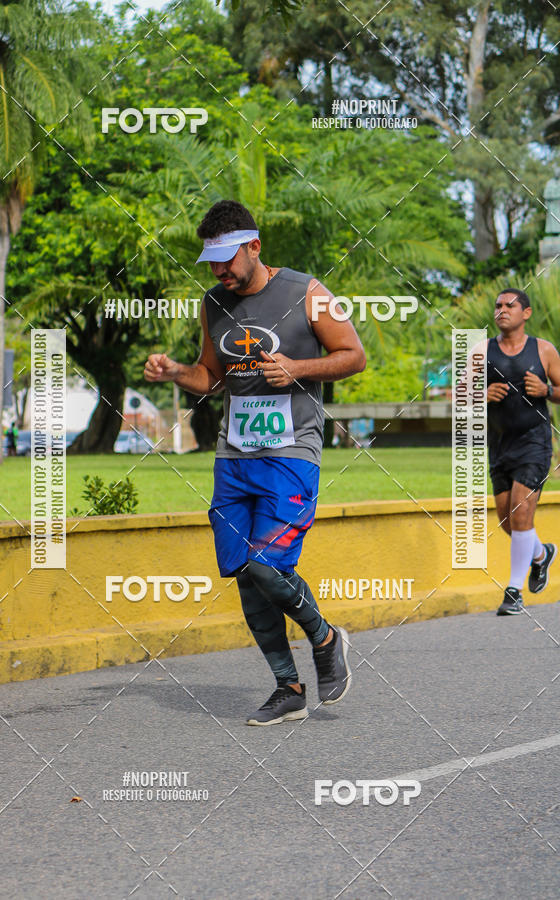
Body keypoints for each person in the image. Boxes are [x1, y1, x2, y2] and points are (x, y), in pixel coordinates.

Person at [144, 200, 366, 724]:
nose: (220, 269)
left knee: (269, 564)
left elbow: (354, 356)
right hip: (234, 454)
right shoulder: (213, 303)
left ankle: (327, 639)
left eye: (227, 258)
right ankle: (288, 688)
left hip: (291, 451)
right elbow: (212, 377)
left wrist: (299, 368)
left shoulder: (308, 293)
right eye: (212, 260)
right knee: (245, 571)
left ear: (255, 246)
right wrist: (176, 371)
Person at [486, 288, 559, 615]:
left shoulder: (543, 350)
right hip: (500, 445)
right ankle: (541, 555)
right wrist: (481, 393)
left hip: (535, 442)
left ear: (525, 313)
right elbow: (458, 396)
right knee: (508, 522)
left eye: (509, 305)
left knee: (520, 512)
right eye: (498, 306)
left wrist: (548, 390)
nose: (502, 310)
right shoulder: (481, 351)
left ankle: (513, 591)